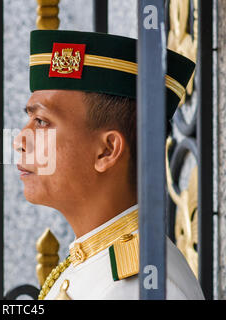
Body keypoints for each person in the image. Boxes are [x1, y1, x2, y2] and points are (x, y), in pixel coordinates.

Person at [13, 30, 204, 300]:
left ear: (107, 150)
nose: (19, 141)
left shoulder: (136, 286)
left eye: (41, 122)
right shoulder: (96, 262)